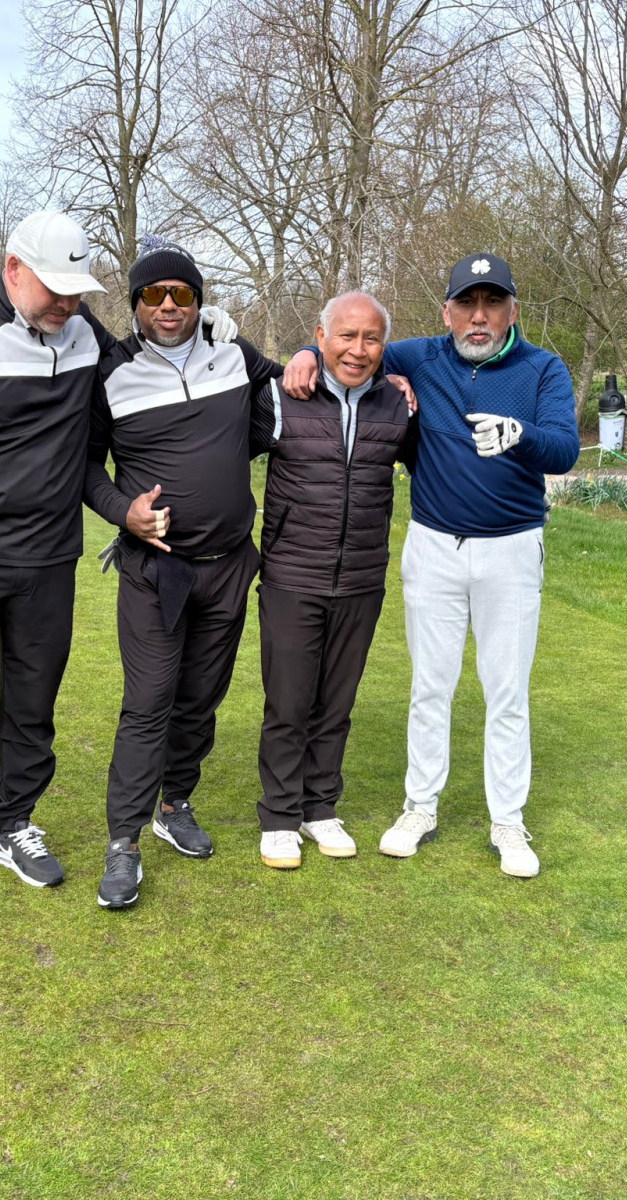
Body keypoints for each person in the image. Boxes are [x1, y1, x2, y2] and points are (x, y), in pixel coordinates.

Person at [0, 211, 236, 906]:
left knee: (33, 705)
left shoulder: (84, 333)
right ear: (13, 270)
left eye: (76, 292)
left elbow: (154, 362)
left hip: (47, 559)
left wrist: (213, 334)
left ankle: (15, 826)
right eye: (54, 290)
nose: (67, 304)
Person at [282, 252, 580, 878]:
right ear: (447, 312)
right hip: (434, 545)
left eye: (492, 304)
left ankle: (508, 820)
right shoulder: (418, 356)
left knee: (506, 691)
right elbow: (353, 351)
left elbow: (564, 450)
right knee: (430, 686)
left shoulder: (542, 367)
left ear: (513, 311)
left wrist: (520, 434)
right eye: (467, 304)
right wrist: (306, 354)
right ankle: (420, 806)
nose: (479, 317)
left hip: (511, 547)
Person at [83, 236, 281, 909]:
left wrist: (375, 375)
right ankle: (124, 841)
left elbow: (297, 381)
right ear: (135, 303)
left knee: (200, 697)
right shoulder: (110, 372)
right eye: (153, 294)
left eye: (182, 294)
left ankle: (175, 804)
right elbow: (85, 468)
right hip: (156, 570)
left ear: (199, 301)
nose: (168, 305)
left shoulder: (234, 354)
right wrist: (124, 513)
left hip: (229, 565)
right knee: (149, 702)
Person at [255, 292, 416, 870]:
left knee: (336, 703)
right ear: (321, 336)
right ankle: (280, 816)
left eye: (371, 338)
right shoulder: (282, 394)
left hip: (362, 578)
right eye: (346, 335)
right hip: (291, 574)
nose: (358, 349)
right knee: (289, 701)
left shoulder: (398, 404)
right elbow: (218, 457)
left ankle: (319, 807)